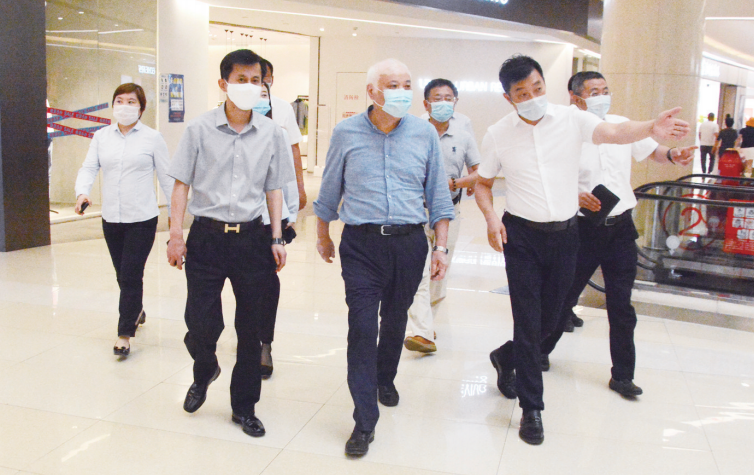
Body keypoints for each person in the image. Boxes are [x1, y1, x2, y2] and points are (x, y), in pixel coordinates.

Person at [474, 55, 689, 446]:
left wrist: (650, 128)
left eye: (538, 88)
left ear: (545, 84)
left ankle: (506, 357)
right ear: (509, 98)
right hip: (521, 238)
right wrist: (491, 219)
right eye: (522, 93)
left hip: (566, 235)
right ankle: (532, 410)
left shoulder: (572, 119)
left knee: (552, 318)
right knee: (528, 320)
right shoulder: (498, 133)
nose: (533, 97)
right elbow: (483, 183)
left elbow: (615, 132)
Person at [313, 59, 454, 457]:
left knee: (394, 319)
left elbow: (438, 196)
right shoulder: (346, 132)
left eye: (407, 84)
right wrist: (322, 235)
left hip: (409, 244)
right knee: (361, 326)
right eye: (393, 85)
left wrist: (440, 248)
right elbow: (329, 188)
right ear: (372, 91)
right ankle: (364, 419)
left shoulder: (424, 133)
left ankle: (385, 376)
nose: (402, 92)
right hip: (361, 244)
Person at [166, 49, 294, 438]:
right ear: (223, 83)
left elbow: (274, 188)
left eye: (257, 80)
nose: (250, 86)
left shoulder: (272, 133)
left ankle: (244, 407)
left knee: (251, 328)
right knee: (201, 322)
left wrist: (277, 236)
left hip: (252, 239)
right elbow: (180, 185)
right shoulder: (198, 129)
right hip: (206, 237)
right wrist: (175, 235)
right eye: (242, 79)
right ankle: (205, 368)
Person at [552, 72, 695, 399]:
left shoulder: (621, 124)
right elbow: (550, 174)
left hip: (620, 228)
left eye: (605, 90)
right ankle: (539, 351)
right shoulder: (565, 130)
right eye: (594, 91)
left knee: (621, 304)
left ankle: (622, 375)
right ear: (575, 97)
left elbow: (653, 151)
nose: (603, 96)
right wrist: (573, 193)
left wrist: (673, 155)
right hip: (583, 228)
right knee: (564, 295)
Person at [74, 83, 173, 358]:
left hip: (142, 218)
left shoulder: (153, 138)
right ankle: (136, 310)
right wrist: (82, 192)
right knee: (122, 274)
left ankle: (124, 334)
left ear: (141, 108)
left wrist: (174, 215)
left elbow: (167, 177)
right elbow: (89, 167)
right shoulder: (101, 137)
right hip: (112, 218)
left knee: (130, 274)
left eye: (131, 101)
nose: (124, 106)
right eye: (119, 100)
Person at [404, 78, 480, 354]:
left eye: (449, 98)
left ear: (456, 102)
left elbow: (479, 172)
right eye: (437, 98)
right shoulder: (412, 131)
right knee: (419, 269)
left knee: (439, 270)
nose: (443, 103)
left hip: (449, 210)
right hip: (416, 210)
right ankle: (422, 330)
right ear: (426, 104)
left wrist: (456, 183)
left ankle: (427, 324)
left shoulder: (463, 135)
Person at [252, 83, 300, 378]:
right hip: (234, 223)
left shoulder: (277, 134)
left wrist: (288, 217)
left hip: (269, 221)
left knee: (266, 283)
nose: (258, 99)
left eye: (263, 94)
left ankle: (264, 344)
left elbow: (287, 179)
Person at [261, 59, 307, 211]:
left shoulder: (283, 107)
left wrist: (300, 188)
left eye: (265, 77)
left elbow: (294, 148)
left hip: (277, 183)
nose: (261, 82)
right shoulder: (237, 109)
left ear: (272, 79)